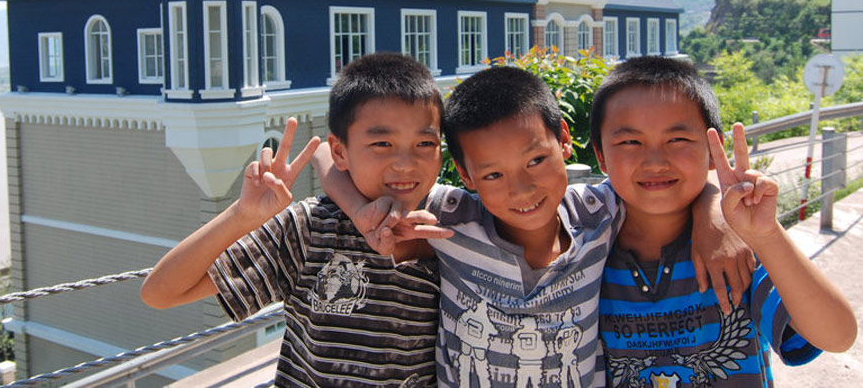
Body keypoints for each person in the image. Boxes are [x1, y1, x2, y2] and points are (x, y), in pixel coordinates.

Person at [317, 63, 751, 388]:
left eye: (537, 160)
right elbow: (324, 156)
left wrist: (713, 211)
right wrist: (358, 211)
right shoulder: (452, 218)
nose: (521, 189)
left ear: (564, 139)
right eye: (493, 174)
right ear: (466, 175)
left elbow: (668, 180)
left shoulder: (597, 213)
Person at [141, 52, 453, 388]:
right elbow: (160, 293)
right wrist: (241, 215)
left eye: (424, 143)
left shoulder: (455, 228)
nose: (405, 163)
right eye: (382, 143)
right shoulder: (312, 229)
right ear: (341, 152)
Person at [591, 56, 856, 387]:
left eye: (678, 140)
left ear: (713, 148)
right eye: (630, 142)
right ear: (601, 156)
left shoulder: (737, 253)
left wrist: (767, 235)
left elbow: (837, 336)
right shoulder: (586, 257)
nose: (655, 161)